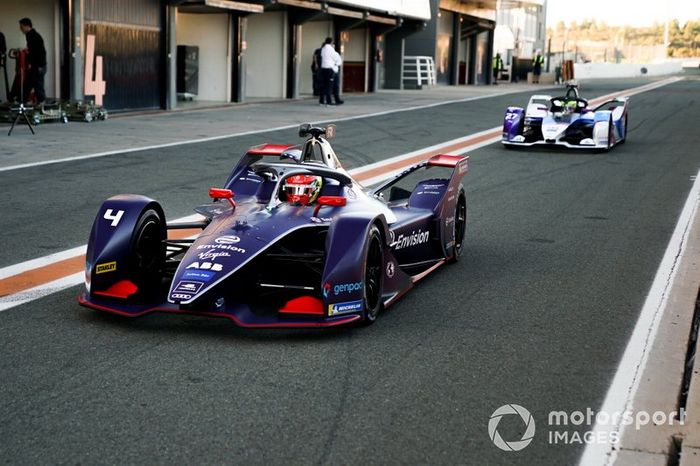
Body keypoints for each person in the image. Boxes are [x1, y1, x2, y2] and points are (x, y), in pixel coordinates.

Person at [19, 17, 46, 104]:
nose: (21, 29)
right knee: (30, 84)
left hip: (38, 65)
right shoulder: (32, 35)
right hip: (39, 65)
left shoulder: (32, 36)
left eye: (21, 27)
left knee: (37, 85)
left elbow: (36, 52)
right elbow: (34, 50)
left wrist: (33, 64)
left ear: (27, 26)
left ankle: (41, 103)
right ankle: (24, 101)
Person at [319, 37, 343, 106]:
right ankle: (329, 102)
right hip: (330, 69)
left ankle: (322, 101)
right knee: (329, 86)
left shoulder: (323, 49)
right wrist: (335, 64)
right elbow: (338, 59)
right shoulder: (331, 50)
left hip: (323, 69)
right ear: (331, 42)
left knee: (323, 86)